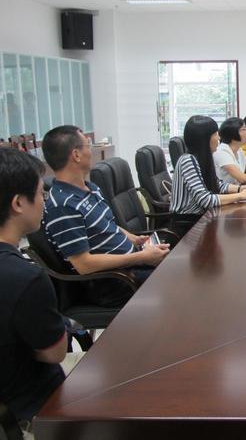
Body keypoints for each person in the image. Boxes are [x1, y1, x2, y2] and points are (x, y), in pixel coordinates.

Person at [42, 126, 171, 307]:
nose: (90, 151)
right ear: (76, 155)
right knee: (180, 285)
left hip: (130, 264)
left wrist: (134, 239)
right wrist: (142, 258)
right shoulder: (62, 205)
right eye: (88, 146)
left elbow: (106, 224)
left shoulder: (90, 188)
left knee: (180, 268)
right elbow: (84, 264)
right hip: (113, 282)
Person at [0, 147, 67, 423]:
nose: (44, 202)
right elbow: (55, 353)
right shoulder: (26, 278)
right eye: (41, 194)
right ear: (18, 203)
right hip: (31, 409)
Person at [170, 115, 246, 216]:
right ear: (204, 139)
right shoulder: (187, 161)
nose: (219, 138)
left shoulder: (204, 158)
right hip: (189, 220)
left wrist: (240, 189)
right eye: (215, 134)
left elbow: (217, 184)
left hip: (204, 215)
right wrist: (241, 195)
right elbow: (205, 200)